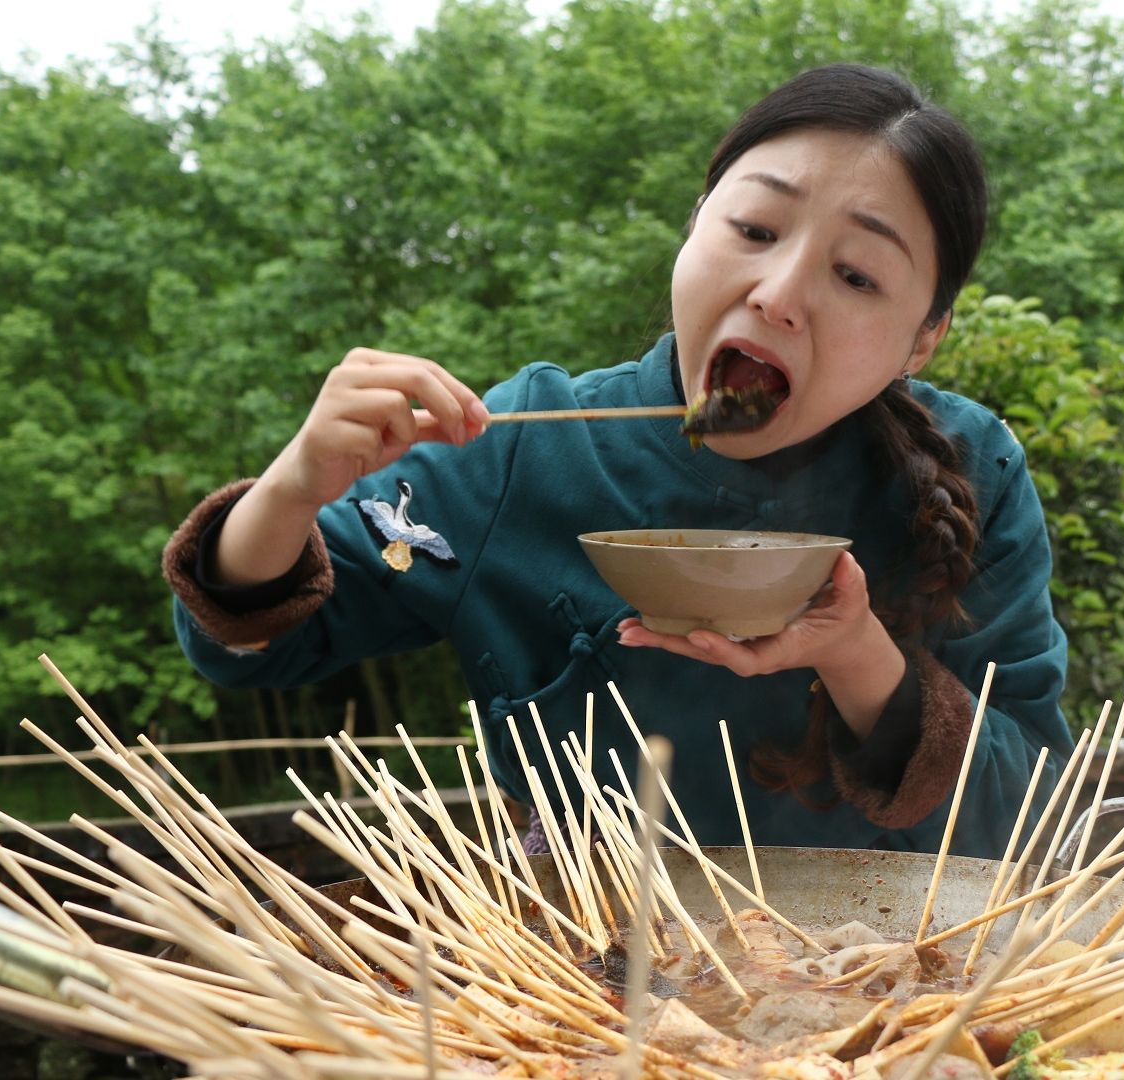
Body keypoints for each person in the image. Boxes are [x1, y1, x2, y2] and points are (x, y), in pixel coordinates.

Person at [162, 63, 1074, 858]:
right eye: (755, 230)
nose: (780, 293)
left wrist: (858, 654)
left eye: (859, 276)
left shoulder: (973, 469)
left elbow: (1028, 815)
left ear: (923, 340)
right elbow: (246, 651)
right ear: (693, 226)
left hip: (879, 1006)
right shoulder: (529, 442)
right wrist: (291, 488)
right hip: (580, 998)